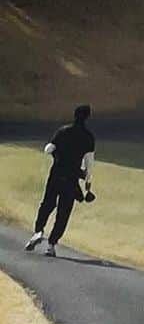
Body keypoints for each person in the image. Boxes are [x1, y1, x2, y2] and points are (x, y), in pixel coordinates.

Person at [25, 104, 96, 258]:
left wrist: (57, 154)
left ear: (74, 115)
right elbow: (89, 164)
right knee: (63, 213)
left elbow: (48, 149)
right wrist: (87, 184)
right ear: (87, 117)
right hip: (71, 180)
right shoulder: (88, 137)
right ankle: (51, 245)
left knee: (47, 204)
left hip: (56, 174)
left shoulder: (63, 131)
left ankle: (39, 231)